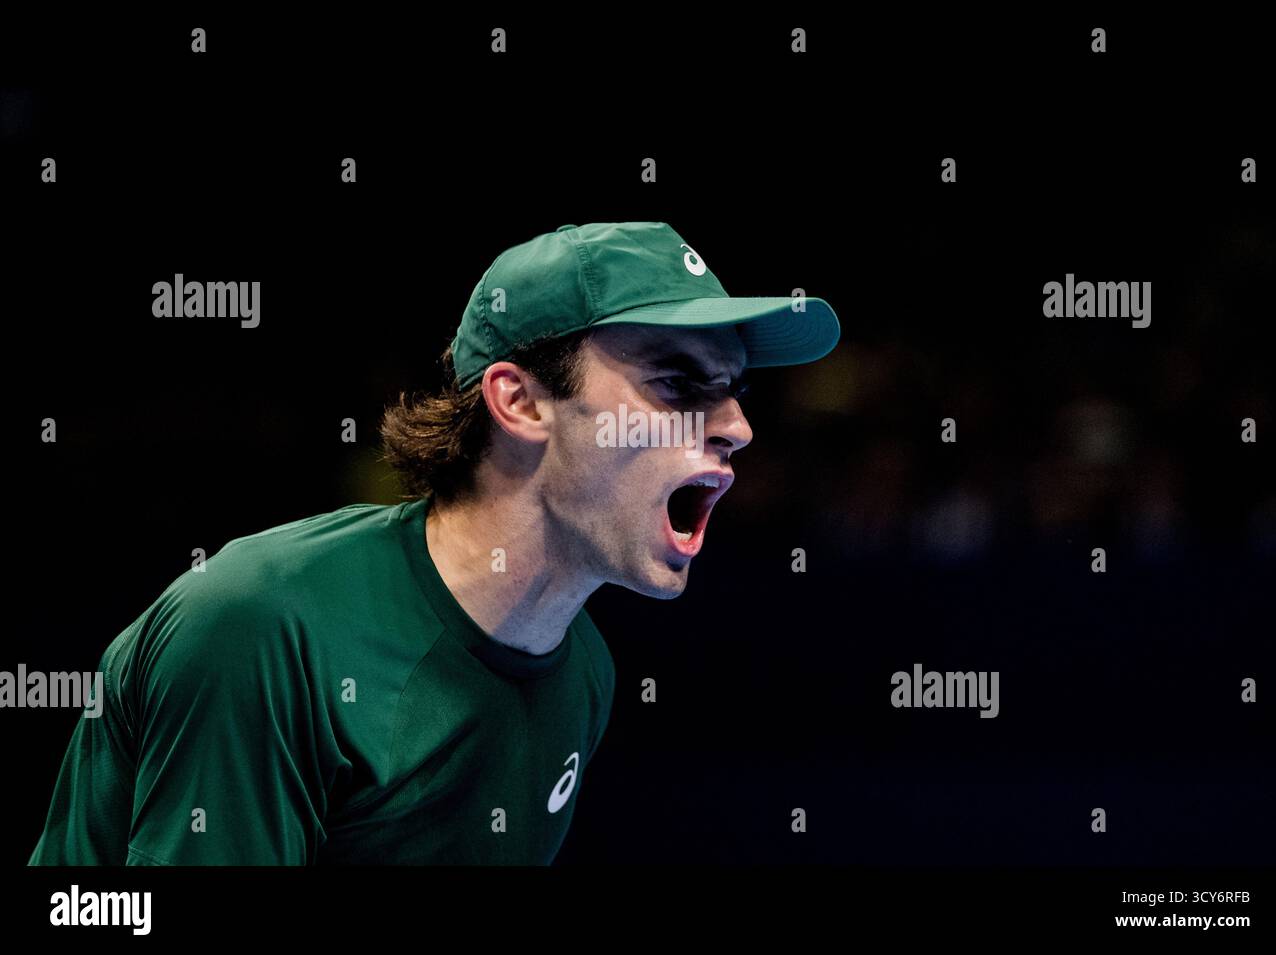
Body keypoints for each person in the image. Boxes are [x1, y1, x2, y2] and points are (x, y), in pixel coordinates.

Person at [28, 221, 840, 864]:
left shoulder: (582, 671)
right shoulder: (260, 626)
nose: (736, 426)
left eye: (733, 390)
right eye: (679, 384)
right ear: (519, 402)